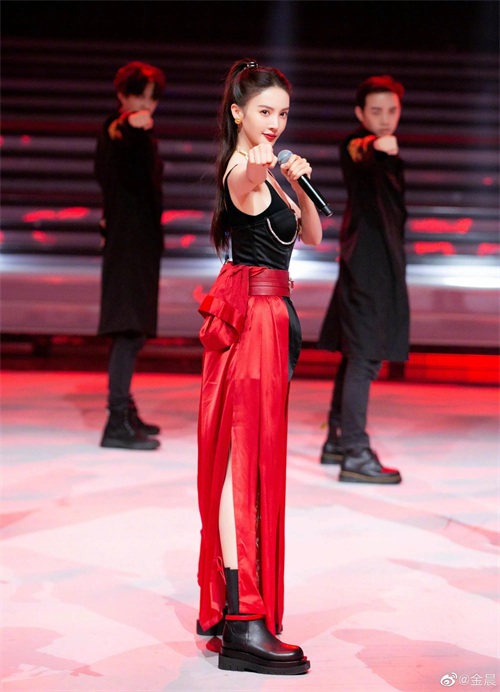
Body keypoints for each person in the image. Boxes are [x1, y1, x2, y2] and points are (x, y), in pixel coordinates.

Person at [196, 59, 322, 675]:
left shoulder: (272, 173)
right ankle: (243, 620)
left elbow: (313, 236)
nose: (275, 122)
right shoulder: (242, 170)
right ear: (238, 113)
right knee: (240, 464)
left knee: (255, 461)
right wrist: (261, 163)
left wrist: (298, 184)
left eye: (282, 114)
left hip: (277, 320)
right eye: (264, 111)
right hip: (254, 324)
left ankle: (239, 613)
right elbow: (243, 178)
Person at [318, 75, 409, 484]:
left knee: (355, 353)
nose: (385, 119)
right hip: (367, 267)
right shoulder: (358, 144)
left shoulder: (385, 148)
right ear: (360, 113)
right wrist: (376, 145)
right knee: (365, 357)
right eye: (376, 111)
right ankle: (355, 451)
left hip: (372, 263)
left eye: (392, 110)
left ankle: (338, 439)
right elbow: (360, 150)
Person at [95, 61, 166, 450]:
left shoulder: (140, 133)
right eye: (139, 95)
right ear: (122, 95)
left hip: (138, 243)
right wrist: (129, 123)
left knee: (133, 329)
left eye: (152, 98)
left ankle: (125, 410)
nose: (146, 105)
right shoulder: (118, 128)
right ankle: (116, 420)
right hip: (127, 244)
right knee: (127, 328)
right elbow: (119, 133)